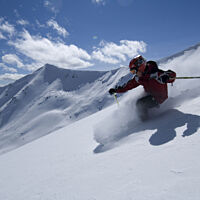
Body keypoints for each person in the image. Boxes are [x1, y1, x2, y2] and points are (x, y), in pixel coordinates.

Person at [109, 55, 176, 121]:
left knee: (140, 104)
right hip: (151, 96)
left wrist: (166, 77)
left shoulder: (156, 73)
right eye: (132, 72)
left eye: (134, 71)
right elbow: (128, 86)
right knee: (136, 102)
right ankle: (143, 119)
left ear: (141, 67)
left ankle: (145, 123)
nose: (134, 74)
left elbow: (172, 75)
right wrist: (116, 90)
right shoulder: (139, 78)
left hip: (161, 98)